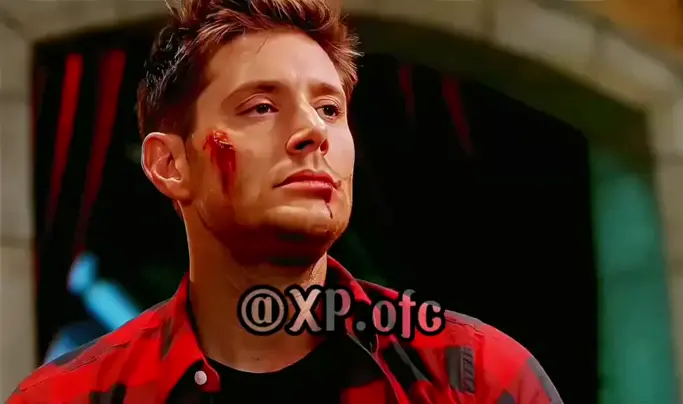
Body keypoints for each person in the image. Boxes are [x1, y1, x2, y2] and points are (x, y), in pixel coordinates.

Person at [9, 0, 562, 403]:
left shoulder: (477, 380)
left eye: (329, 109)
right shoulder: (67, 398)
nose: (312, 132)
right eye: (261, 107)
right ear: (170, 165)